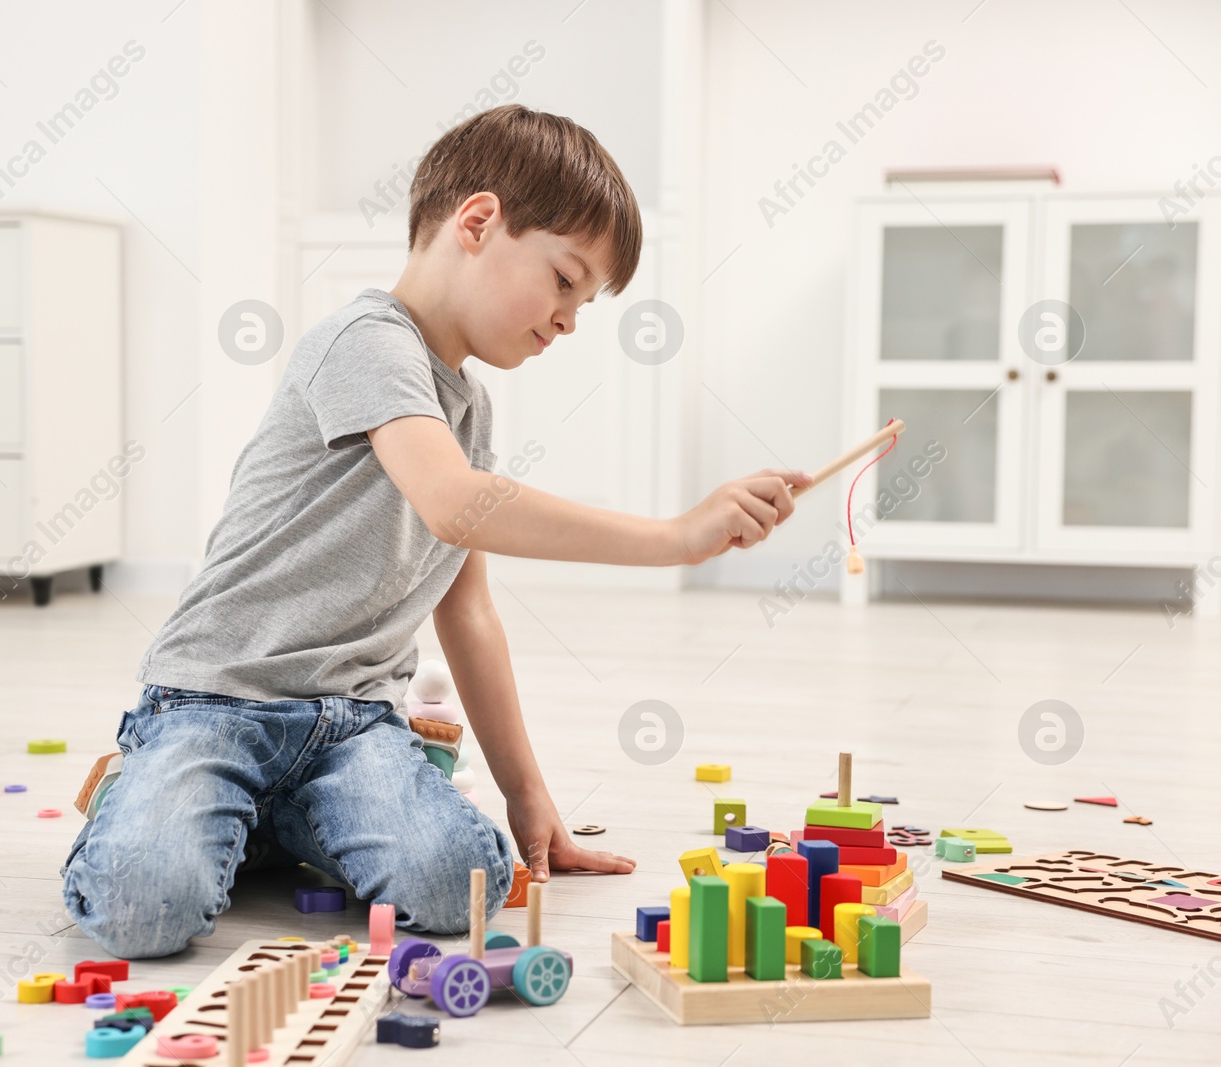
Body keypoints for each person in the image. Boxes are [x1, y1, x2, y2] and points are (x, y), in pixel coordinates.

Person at [61, 104, 810, 959]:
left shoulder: (471, 408)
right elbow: (455, 502)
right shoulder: (364, 339)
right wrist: (677, 538)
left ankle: (265, 821)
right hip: (215, 700)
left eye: (585, 303)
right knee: (143, 910)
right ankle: (164, 793)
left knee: (461, 885)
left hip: (350, 724)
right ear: (479, 222)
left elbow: (470, 614)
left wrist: (529, 796)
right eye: (565, 281)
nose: (569, 319)